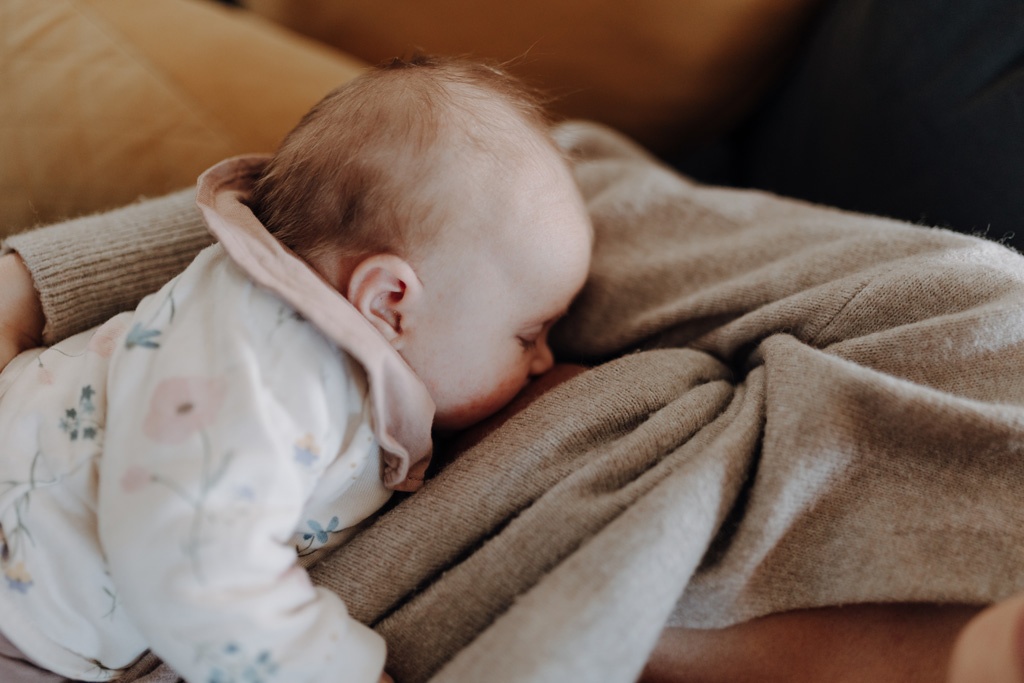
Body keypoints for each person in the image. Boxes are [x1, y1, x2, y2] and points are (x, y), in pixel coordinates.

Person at [0, 55, 593, 683]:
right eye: (528, 335)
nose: (544, 360)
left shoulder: (307, 354)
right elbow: (198, 561)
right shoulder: (274, 364)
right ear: (389, 301)